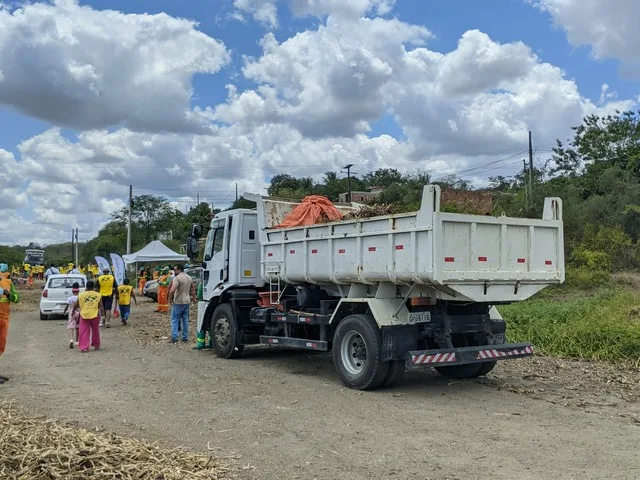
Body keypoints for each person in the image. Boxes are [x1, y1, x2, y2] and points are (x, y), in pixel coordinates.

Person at [0, 264, 19, 385]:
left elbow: (17, 298)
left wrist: (8, 295)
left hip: (4, 318)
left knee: (1, 345)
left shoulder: (8, 284)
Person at [168, 264, 195, 343]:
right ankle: (185, 337)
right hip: (186, 301)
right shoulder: (189, 277)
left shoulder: (177, 278)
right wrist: (194, 298)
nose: (174, 271)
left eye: (175, 270)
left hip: (178, 301)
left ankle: (175, 337)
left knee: (174, 319)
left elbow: (172, 289)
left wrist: (170, 298)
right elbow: (192, 289)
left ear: (179, 269)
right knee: (185, 319)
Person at [77, 280, 104, 353]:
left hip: (84, 315)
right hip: (95, 314)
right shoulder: (98, 295)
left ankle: (84, 347)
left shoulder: (81, 295)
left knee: (84, 331)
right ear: (93, 287)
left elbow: (77, 304)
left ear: (86, 287)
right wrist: (103, 315)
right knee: (95, 330)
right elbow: (100, 305)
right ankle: (96, 345)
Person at [63, 282, 81, 348]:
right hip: (79, 313)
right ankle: (77, 341)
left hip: (72, 313)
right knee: (78, 327)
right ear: (78, 290)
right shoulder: (80, 297)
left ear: (72, 291)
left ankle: (71, 339)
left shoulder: (70, 298)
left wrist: (64, 311)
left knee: (70, 326)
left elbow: (67, 306)